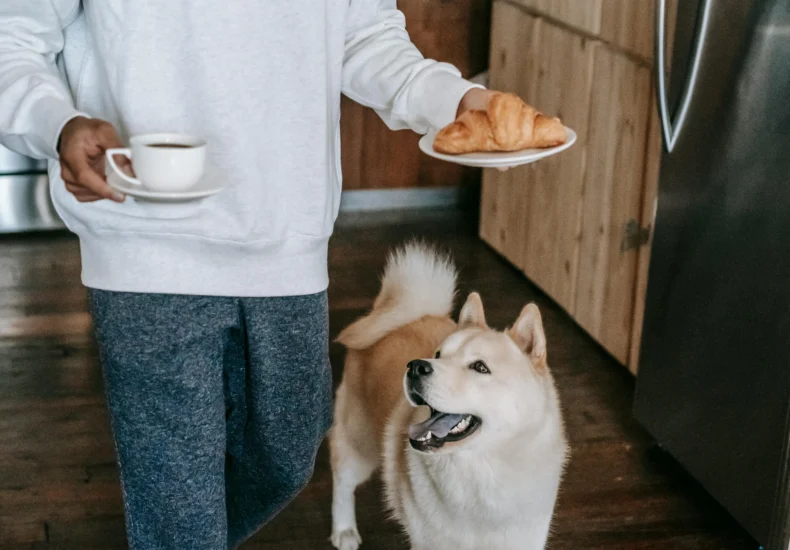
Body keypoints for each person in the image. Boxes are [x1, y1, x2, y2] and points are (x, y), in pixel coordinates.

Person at [0, 2, 497, 549]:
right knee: (178, 509)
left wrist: (455, 101)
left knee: (285, 459)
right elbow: (14, 35)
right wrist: (55, 122)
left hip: (287, 238)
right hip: (143, 240)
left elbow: (364, 34)